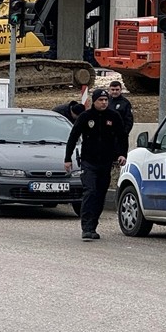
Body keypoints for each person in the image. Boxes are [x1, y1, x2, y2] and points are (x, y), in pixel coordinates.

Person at [63, 87, 127, 240]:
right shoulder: (86, 116)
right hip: (88, 161)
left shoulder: (114, 116)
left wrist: (122, 154)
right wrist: (67, 158)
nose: (104, 103)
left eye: (106, 100)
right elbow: (73, 137)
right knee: (90, 191)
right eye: (101, 100)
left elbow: (122, 136)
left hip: (105, 162)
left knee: (100, 194)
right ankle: (86, 227)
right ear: (94, 101)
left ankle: (93, 226)